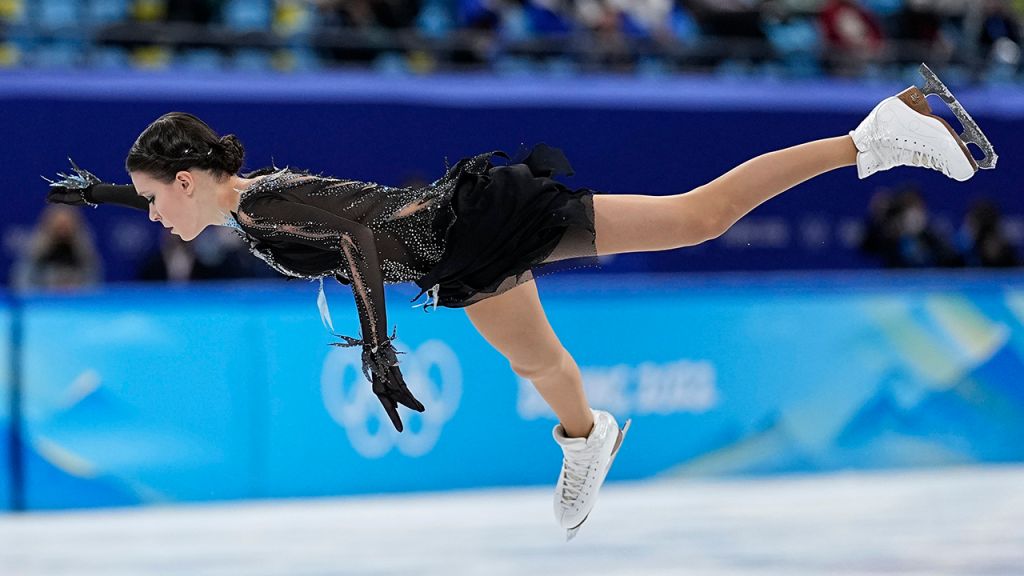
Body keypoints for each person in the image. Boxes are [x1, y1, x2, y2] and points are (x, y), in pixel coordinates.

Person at [43, 64, 996, 540]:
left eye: (154, 195)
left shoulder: (259, 208)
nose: (155, 215)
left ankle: (876, 133)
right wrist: (107, 193)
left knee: (697, 217)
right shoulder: (229, 200)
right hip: (459, 256)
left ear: (195, 177)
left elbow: (362, 244)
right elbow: (203, 203)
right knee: (538, 364)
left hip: (471, 225)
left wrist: (378, 352)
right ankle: (590, 441)